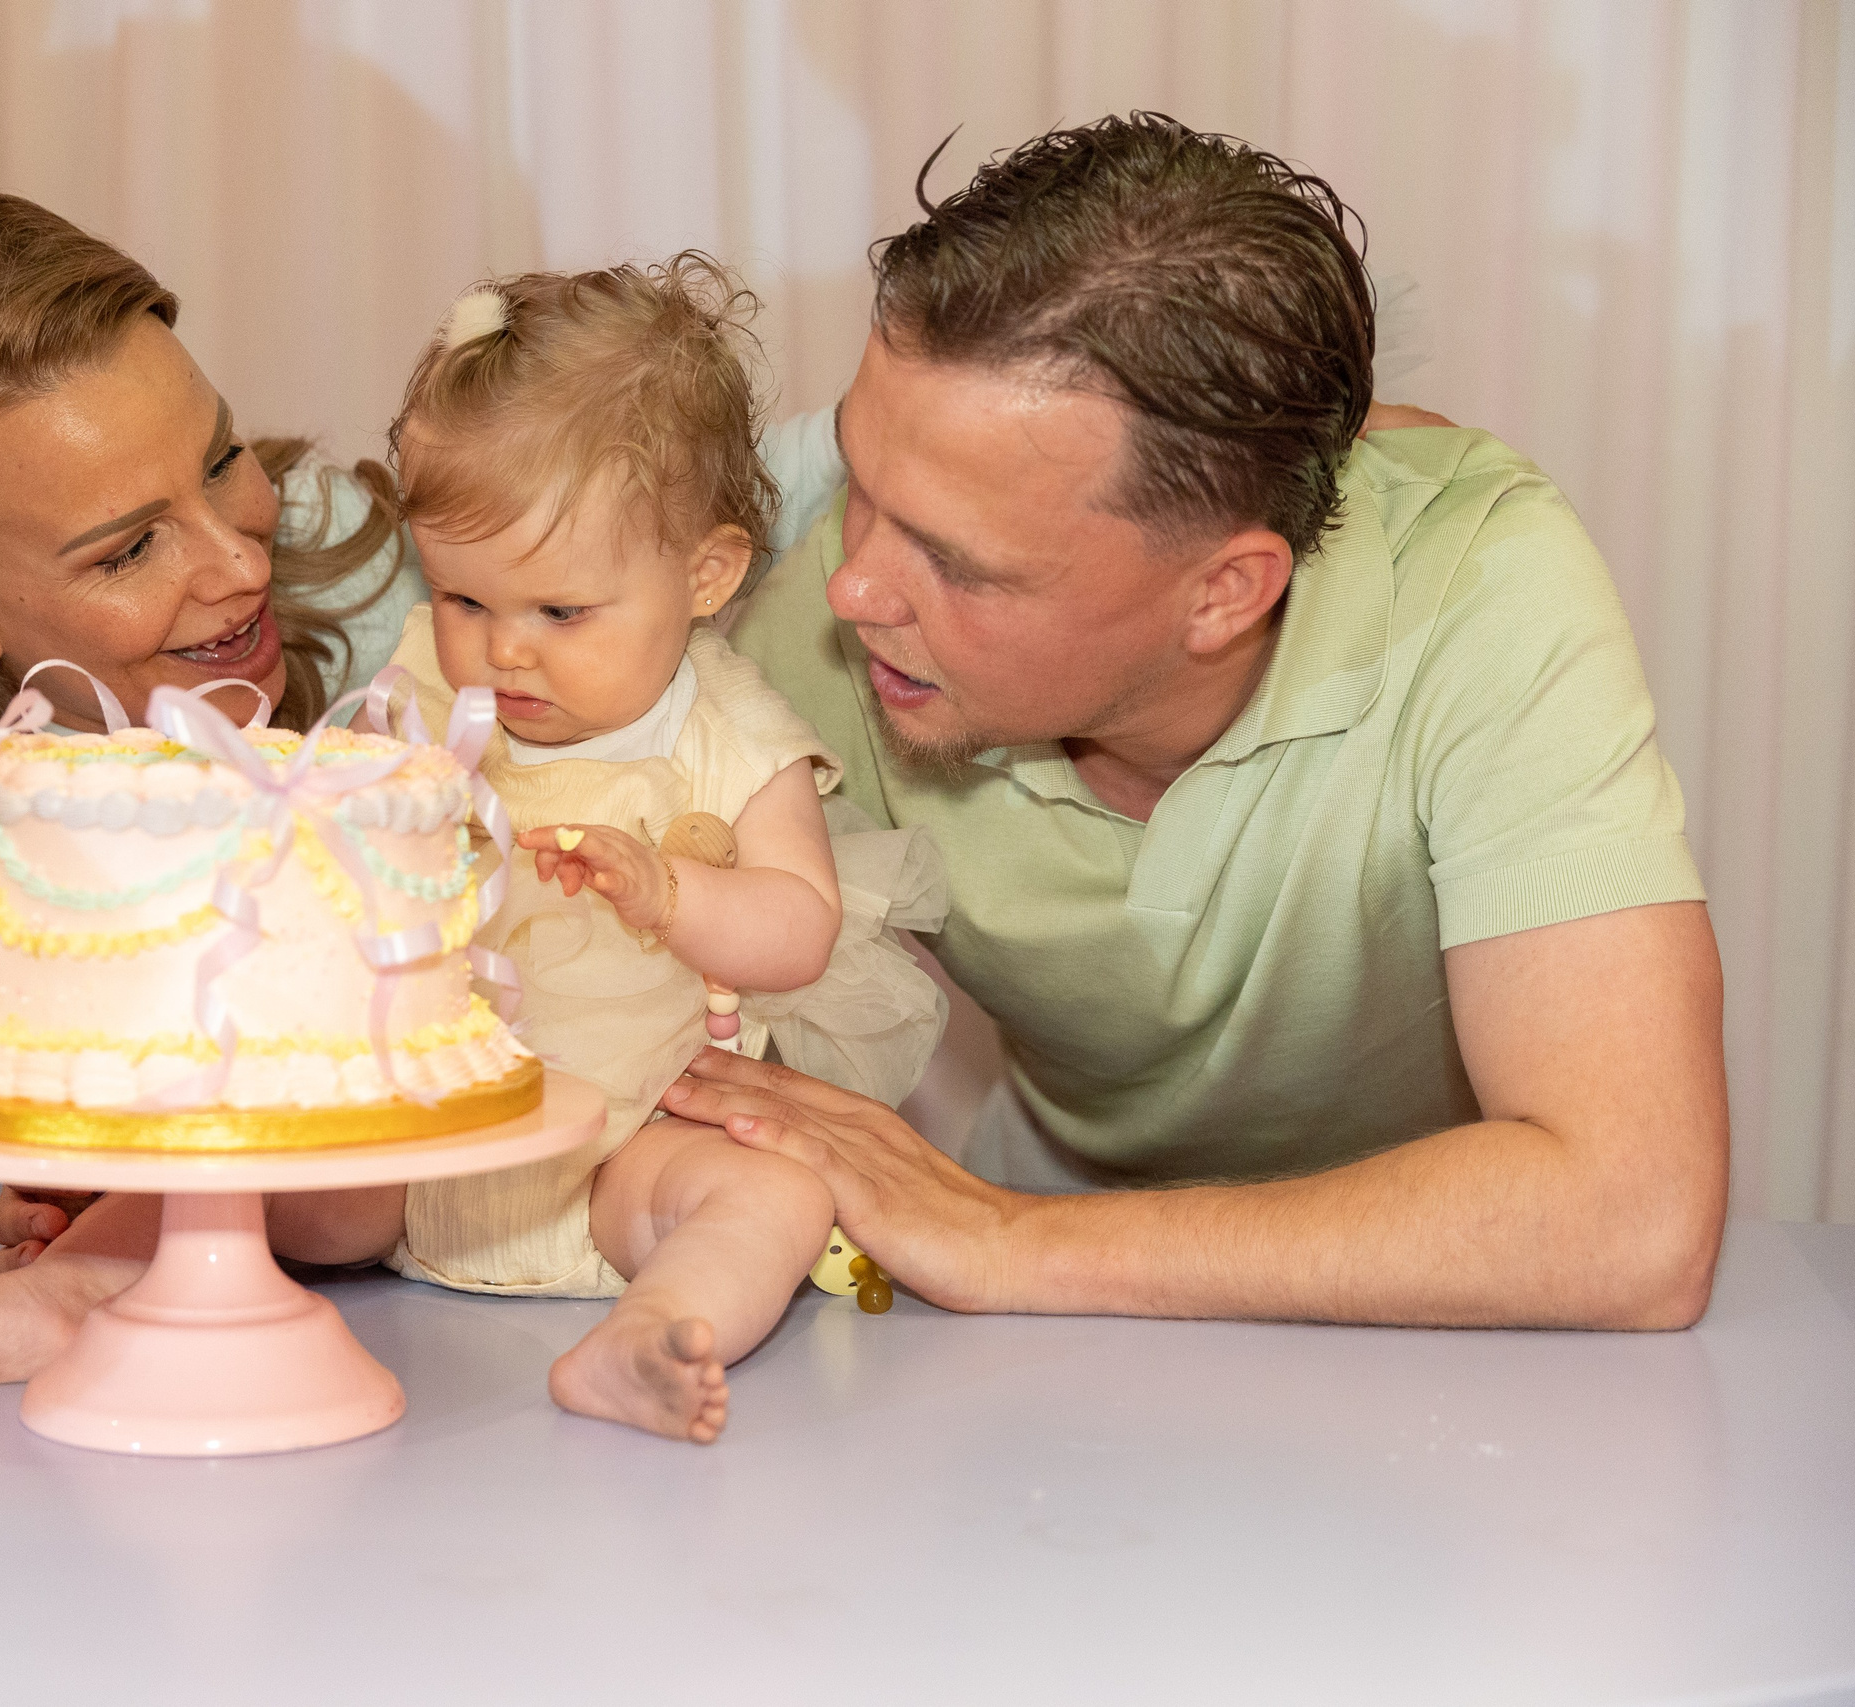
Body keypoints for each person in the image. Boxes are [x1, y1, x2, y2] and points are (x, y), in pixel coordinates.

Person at [0, 258, 950, 1442]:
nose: (502, 653)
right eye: (464, 601)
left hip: (633, 1141)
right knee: (243, 1172)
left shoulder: (731, 729)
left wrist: (672, 888)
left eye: (558, 613)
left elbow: (799, 928)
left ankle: (654, 1334)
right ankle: (60, 1299)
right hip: (421, 1129)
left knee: (772, 1195)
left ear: (705, 574)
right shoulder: (430, 680)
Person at [0, 190, 844, 1230]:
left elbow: (689, 493)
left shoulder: (391, 579)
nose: (241, 563)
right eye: (127, 549)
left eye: (215, 459)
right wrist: (88, 1188)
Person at [669, 113, 1730, 1331]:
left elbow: (1632, 1221)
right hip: (1028, 1341)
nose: (855, 585)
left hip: (1451, 1338)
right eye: (861, 478)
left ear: (1224, 593)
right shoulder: (819, 622)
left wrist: (1004, 1236)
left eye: (959, 562)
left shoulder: (1483, 585)